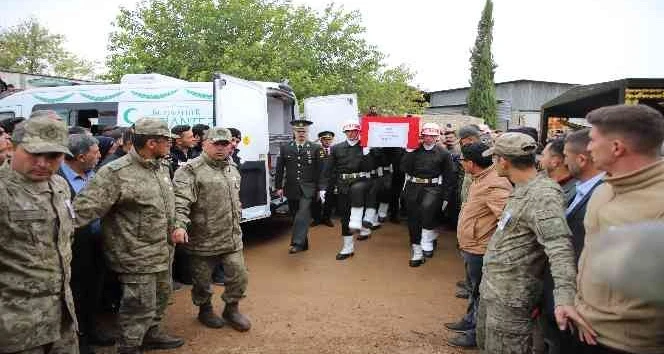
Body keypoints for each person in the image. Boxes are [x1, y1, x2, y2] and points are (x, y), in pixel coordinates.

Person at [73, 117, 184, 354]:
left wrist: (175, 226)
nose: (171, 144)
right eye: (167, 140)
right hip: (134, 256)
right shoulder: (115, 172)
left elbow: (166, 205)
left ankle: (152, 334)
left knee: (160, 298)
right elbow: (82, 212)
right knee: (137, 308)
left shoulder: (161, 167)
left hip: (163, 250)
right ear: (152, 143)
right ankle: (129, 347)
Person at [476, 132, 593, 354]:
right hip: (495, 291)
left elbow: (559, 248)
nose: (493, 163)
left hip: (512, 300)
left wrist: (564, 298)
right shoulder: (523, 188)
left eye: (494, 158)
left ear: (503, 161)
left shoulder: (542, 196)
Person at [573, 104, 664, 354]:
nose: (588, 147)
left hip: (628, 346)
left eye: (592, 140)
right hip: (582, 328)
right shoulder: (604, 188)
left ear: (616, 147)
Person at [0, 116, 79, 353]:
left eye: (54, 156)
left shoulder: (60, 186)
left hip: (62, 318)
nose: (43, 163)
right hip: (15, 326)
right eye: (34, 154)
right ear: (13, 147)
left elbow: (65, 239)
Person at [172, 127, 251, 331]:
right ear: (204, 143)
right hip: (203, 239)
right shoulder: (190, 170)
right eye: (216, 143)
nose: (221, 148)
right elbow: (180, 202)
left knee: (239, 275)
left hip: (231, 237)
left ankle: (231, 309)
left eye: (225, 144)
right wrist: (179, 226)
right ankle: (204, 310)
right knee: (201, 282)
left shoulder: (231, 167)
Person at [538, 128, 605, 354]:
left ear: (582, 159)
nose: (564, 162)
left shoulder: (603, 194)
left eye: (566, 156)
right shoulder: (580, 189)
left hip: (579, 301)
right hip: (560, 292)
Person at [445, 142, 512, 348]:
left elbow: (507, 221)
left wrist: (490, 243)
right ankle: (469, 320)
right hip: (472, 245)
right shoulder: (480, 178)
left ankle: (475, 332)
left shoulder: (494, 183)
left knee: (481, 292)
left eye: (463, 160)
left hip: (481, 248)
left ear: (472, 163)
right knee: (474, 289)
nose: (462, 164)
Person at [57, 134, 112, 353]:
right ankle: (79, 338)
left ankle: (91, 329)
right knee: (76, 293)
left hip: (98, 244)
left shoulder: (94, 175)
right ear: (80, 157)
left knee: (93, 290)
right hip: (74, 248)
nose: (100, 155)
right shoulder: (57, 178)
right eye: (95, 151)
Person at [400, 122, 456, 266]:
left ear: (437, 137)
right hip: (413, 186)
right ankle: (416, 249)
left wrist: (446, 196)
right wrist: (409, 152)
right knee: (413, 217)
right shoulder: (414, 150)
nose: (429, 138)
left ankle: (427, 241)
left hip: (433, 187)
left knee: (427, 210)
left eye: (432, 136)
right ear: (422, 136)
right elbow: (404, 168)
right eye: (426, 135)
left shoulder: (443, 153)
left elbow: (449, 176)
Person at [275, 120, 325, 253]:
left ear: (307, 132)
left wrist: (321, 188)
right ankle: (304, 243)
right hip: (291, 188)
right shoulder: (285, 148)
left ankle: (296, 243)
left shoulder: (315, 148)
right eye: (298, 131)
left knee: (302, 214)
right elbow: (280, 169)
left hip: (308, 188)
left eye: (304, 131)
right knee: (295, 215)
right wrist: (278, 186)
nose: (301, 134)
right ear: (294, 132)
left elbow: (321, 170)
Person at [326, 119, 373, 260]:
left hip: (361, 182)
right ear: (345, 133)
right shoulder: (336, 148)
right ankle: (348, 247)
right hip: (343, 184)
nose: (351, 134)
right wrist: (323, 188)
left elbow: (370, 167)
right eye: (348, 131)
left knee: (359, 209)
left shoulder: (365, 147)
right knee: (345, 215)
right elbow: (329, 169)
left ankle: (365, 227)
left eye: (354, 131)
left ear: (359, 132)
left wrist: (368, 153)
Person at [311, 130, 336, 227]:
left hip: (330, 180)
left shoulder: (335, 150)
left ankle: (327, 218)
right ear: (321, 140)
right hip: (317, 180)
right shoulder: (315, 150)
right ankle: (316, 219)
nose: (327, 141)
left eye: (329, 139)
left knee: (329, 200)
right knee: (316, 200)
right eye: (325, 139)